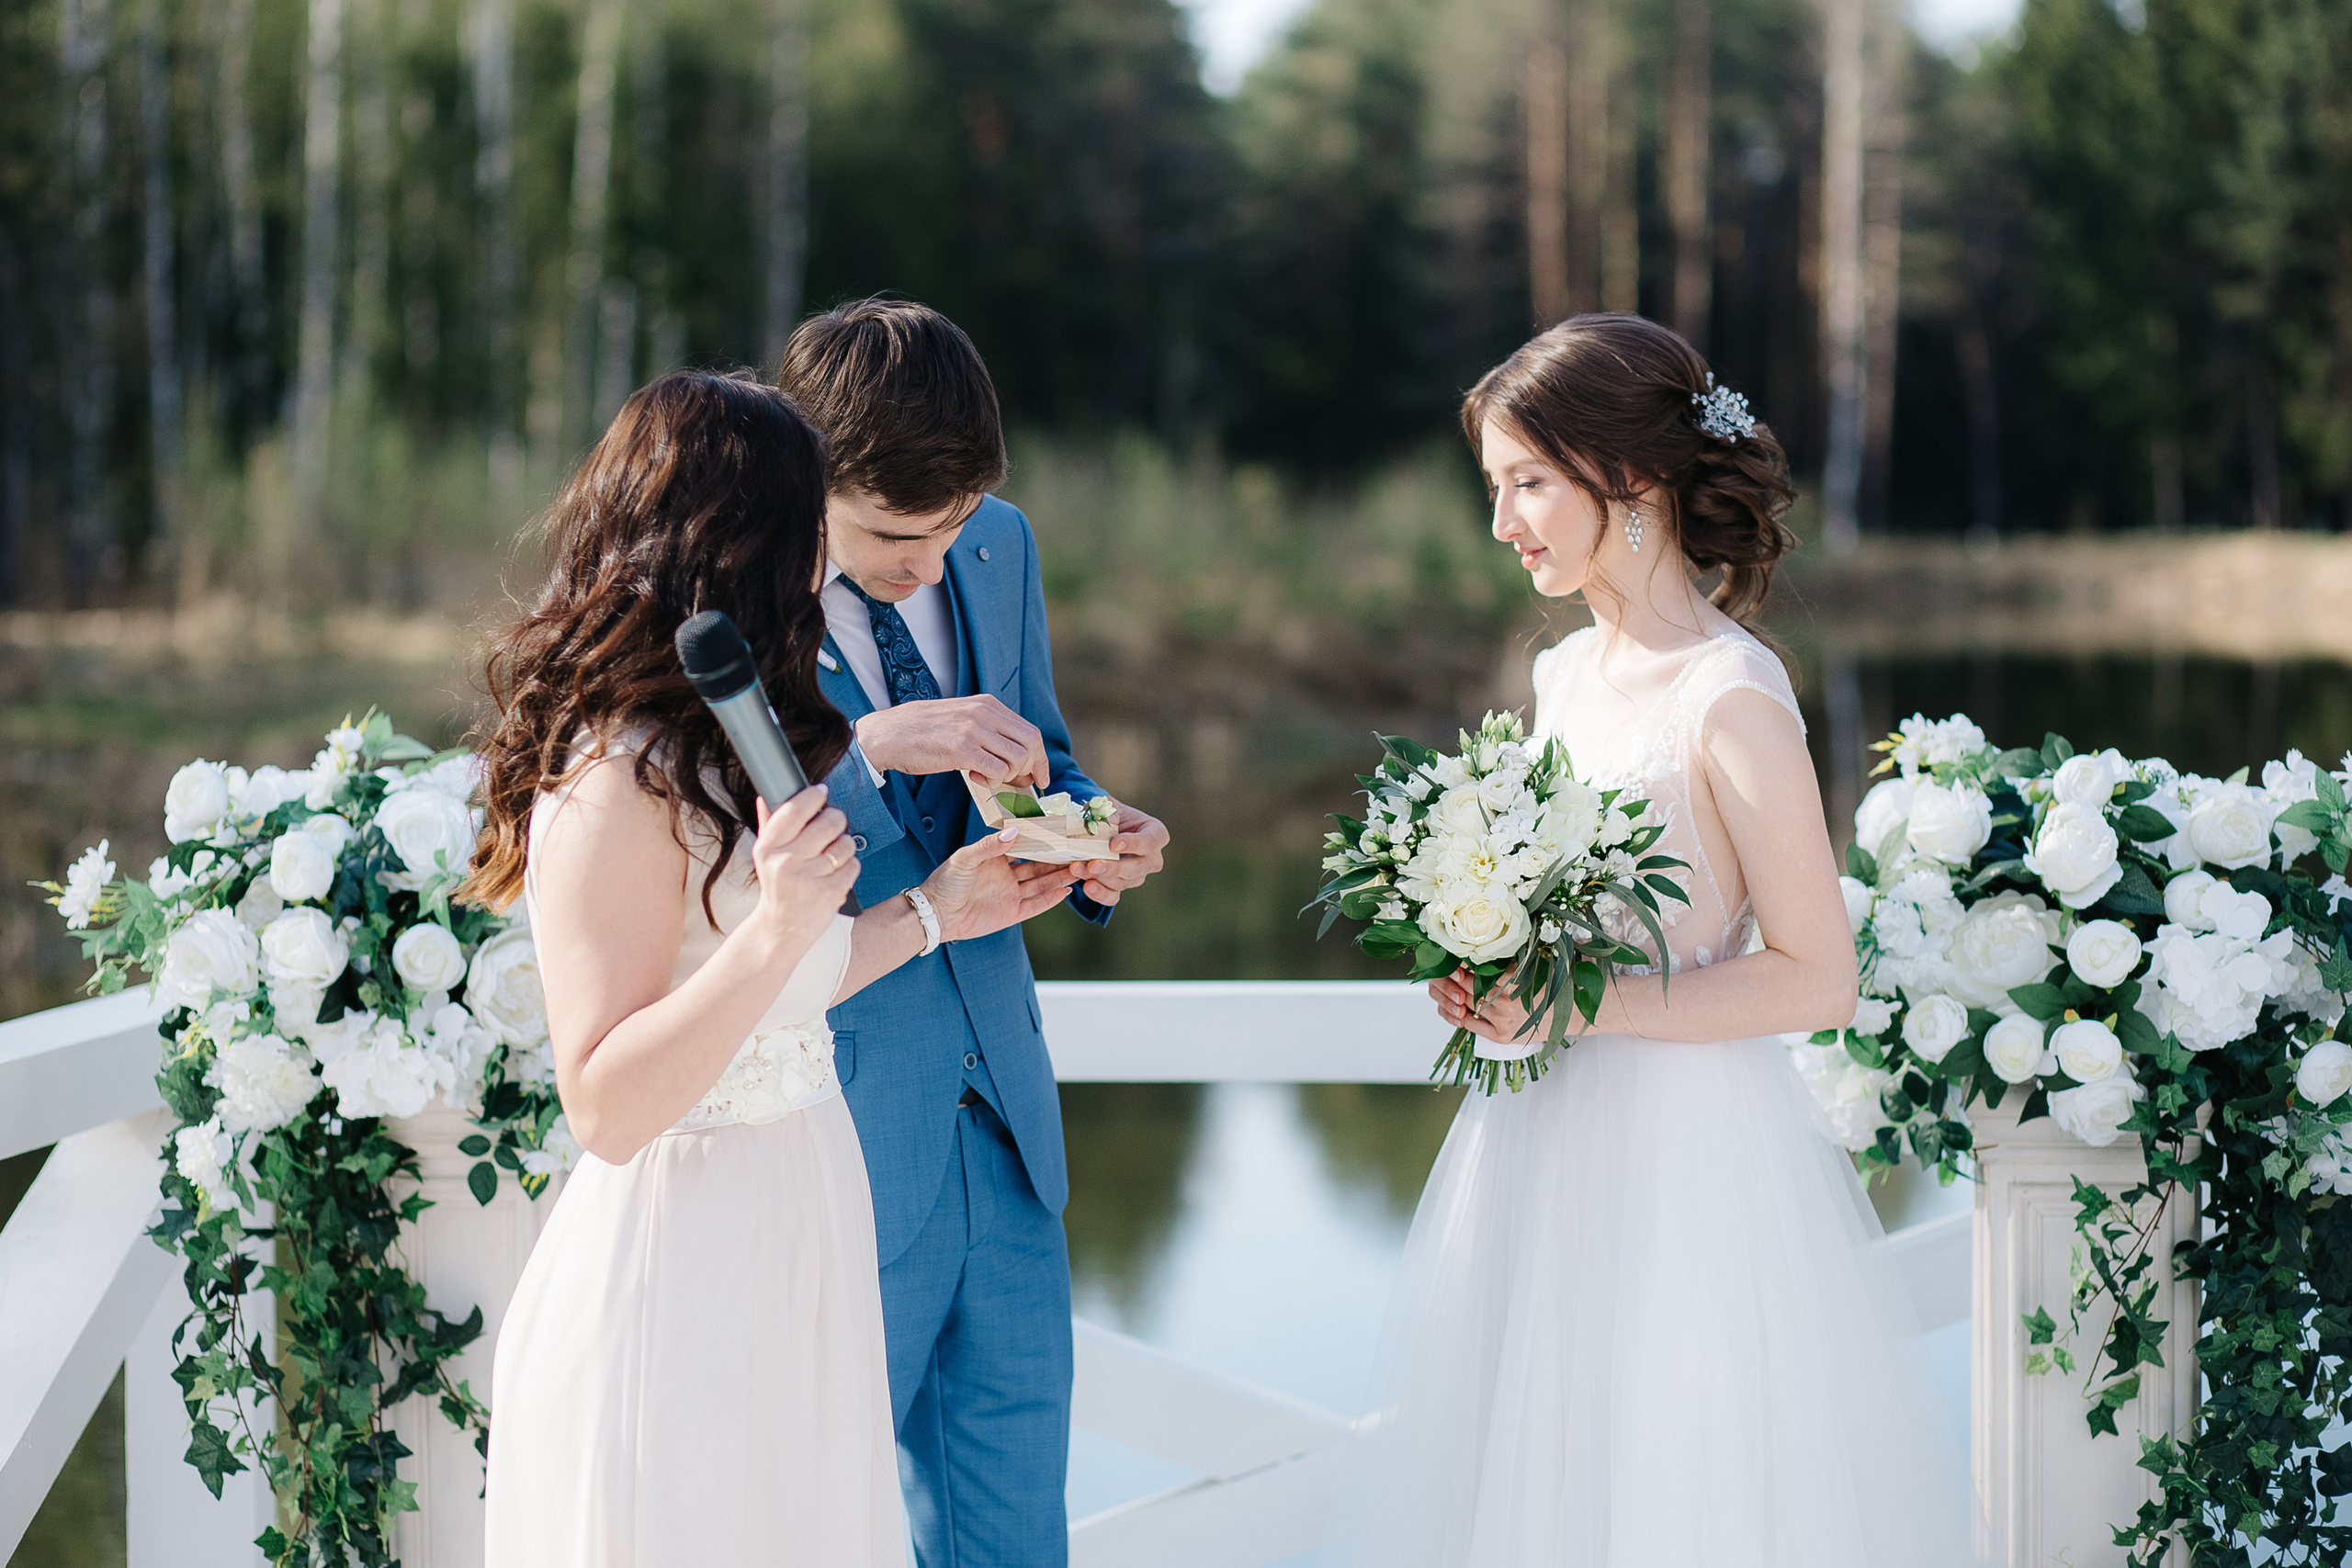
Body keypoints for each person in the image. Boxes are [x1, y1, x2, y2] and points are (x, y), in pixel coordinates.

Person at [1341, 315, 1978, 1566]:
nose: (1501, 521)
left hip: (1688, 1160)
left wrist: (1581, 1002)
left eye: (1527, 483)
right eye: (1495, 486)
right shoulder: (1564, 674)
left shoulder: (1730, 695)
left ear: (1627, 478)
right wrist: (1490, 960)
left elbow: (1819, 976)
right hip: (1541, 1142)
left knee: (1680, 1488)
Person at [470, 371, 1078, 1567]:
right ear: (734, 547)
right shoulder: (611, 773)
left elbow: (788, 990)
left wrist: (936, 914)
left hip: (802, 1240)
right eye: (809, 528)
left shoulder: (722, 745)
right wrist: (773, 928)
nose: (822, 565)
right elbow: (605, 1105)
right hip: (685, 1270)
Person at [775, 299, 1170, 1566]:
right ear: (807, 480)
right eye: (897, 536)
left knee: (1014, 1543)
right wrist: (872, 749)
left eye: (954, 527)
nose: (934, 564)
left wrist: (1097, 833)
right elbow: (712, 835)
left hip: (1004, 1127)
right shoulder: (721, 583)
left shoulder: (1000, 545)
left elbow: (1039, 754)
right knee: (803, 1527)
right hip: (832, 1131)